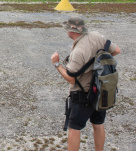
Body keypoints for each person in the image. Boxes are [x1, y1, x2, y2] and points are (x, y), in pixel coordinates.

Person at [50, 17, 121, 151]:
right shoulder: (96, 36)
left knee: (75, 127)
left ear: (72, 30)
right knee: (98, 123)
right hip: (101, 88)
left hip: (83, 94)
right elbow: (116, 51)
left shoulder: (78, 52)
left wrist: (57, 63)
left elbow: (71, 79)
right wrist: (99, 64)